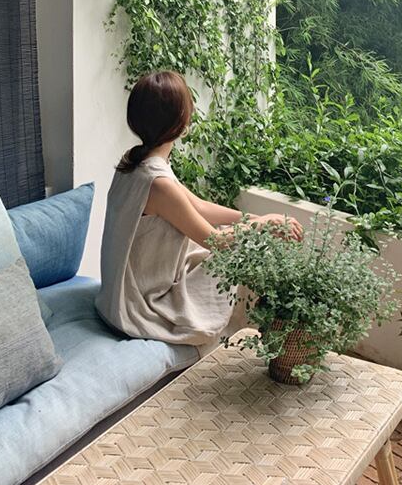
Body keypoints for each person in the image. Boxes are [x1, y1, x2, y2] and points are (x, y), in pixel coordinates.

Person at [95, 70, 302, 355]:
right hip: (138, 307)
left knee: (232, 244)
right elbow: (216, 241)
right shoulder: (157, 184)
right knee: (236, 253)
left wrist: (254, 219)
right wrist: (263, 225)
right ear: (180, 121)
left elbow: (198, 206)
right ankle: (252, 344)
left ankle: (252, 338)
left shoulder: (135, 160)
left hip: (116, 299)